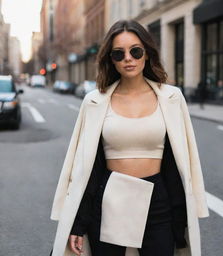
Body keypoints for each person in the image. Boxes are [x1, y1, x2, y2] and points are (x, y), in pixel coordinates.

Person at [50, 20, 209, 256]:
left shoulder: (172, 98)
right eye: (119, 53)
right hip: (109, 200)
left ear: (147, 53)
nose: (128, 58)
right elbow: (85, 168)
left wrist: (182, 215)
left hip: (157, 200)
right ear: (110, 59)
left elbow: (182, 161)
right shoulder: (95, 101)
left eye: (135, 51)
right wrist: (78, 223)